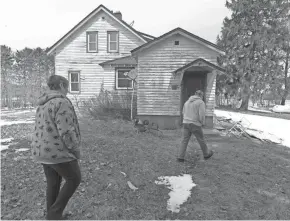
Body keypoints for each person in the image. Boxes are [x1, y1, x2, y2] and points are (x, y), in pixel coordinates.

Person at [31, 75, 82, 220]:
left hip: (41, 151)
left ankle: (52, 215)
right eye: (66, 87)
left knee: (53, 182)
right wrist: (75, 150)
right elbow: (66, 131)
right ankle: (54, 214)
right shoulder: (61, 102)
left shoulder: (43, 103)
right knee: (74, 178)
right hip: (57, 152)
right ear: (61, 85)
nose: (67, 91)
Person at [177, 90, 214, 162]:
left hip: (186, 123)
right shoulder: (200, 102)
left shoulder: (187, 102)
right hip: (195, 124)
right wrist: (202, 123)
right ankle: (206, 154)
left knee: (184, 140)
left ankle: (180, 157)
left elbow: (183, 112)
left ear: (195, 95)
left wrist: (186, 120)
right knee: (201, 139)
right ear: (201, 96)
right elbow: (202, 115)